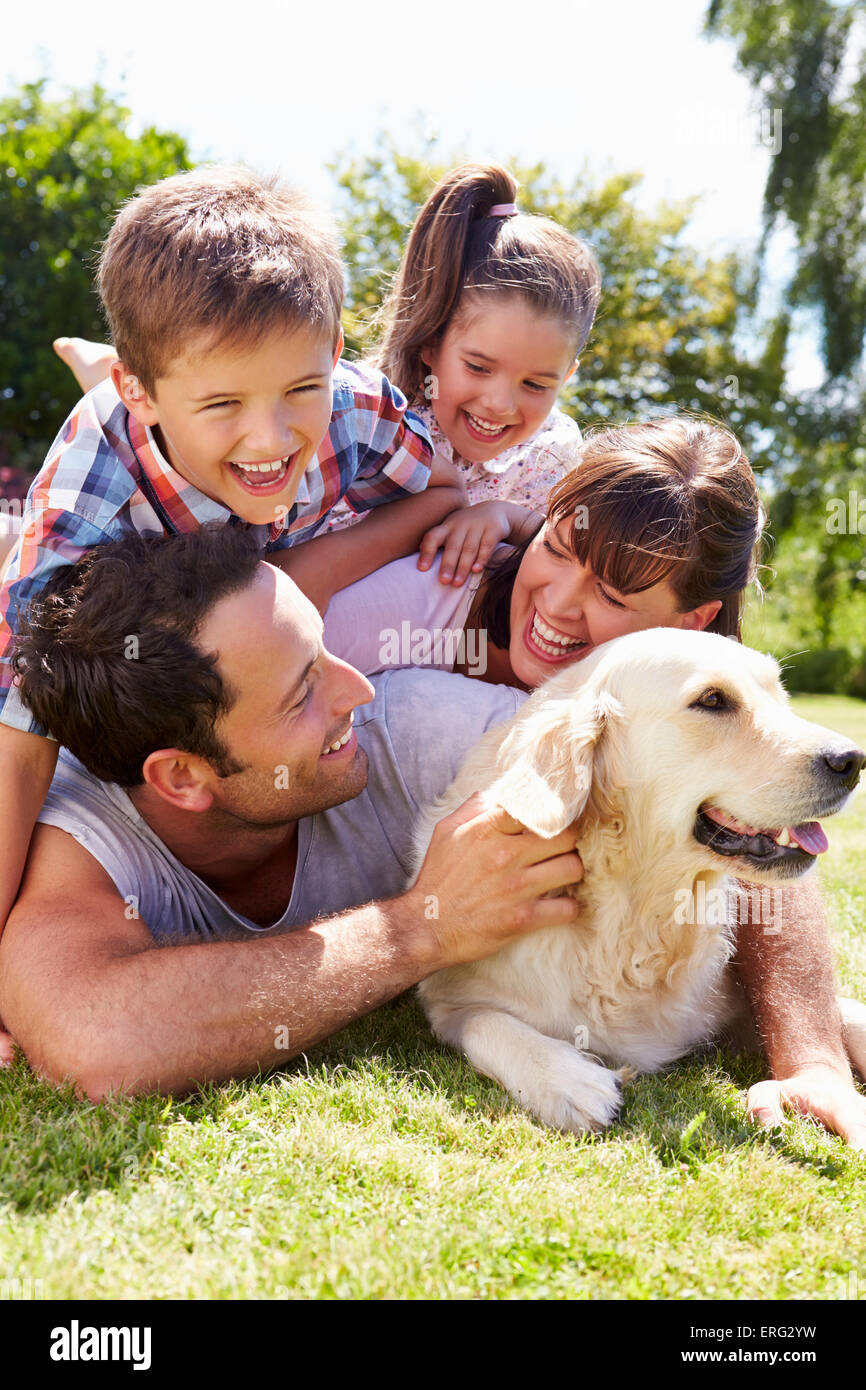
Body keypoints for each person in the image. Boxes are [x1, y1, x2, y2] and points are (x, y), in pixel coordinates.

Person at [1, 525, 864, 1147]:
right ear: (180, 777)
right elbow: (96, 1044)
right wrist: (422, 928)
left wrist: (814, 1055)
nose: (359, 689)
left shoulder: (412, 721)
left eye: (327, 650)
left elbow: (725, 802)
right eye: (305, 690)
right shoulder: (85, 838)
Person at [0, 166, 465, 966]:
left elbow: (443, 488)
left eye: (299, 387)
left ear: (334, 349)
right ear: (139, 394)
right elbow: (18, 746)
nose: (271, 437)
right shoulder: (87, 501)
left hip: (263, 577)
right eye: (223, 404)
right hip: (152, 592)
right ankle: (102, 368)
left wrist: (312, 569)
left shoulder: (353, 409)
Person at [54, 162, 602, 589]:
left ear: (568, 376)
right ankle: (104, 374)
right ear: (432, 343)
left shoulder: (552, 455)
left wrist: (502, 515)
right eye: (478, 367)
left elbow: (573, 558)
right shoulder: (373, 421)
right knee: (177, 404)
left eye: (537, 384)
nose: (502, 403)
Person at [323, 416, 762, 688]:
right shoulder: (424, 594)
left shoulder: (684, 728)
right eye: (554, 549)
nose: (556, 603)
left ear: (692, 622)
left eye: (610, 595)